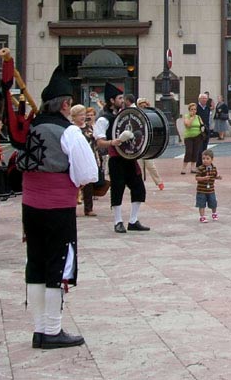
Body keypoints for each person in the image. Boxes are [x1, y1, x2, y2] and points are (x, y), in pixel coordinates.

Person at [15, 67, 98, 349]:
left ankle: (40, 329)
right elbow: (88, 173)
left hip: (30, 206)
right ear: (65, 105)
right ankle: (52, 330)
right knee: (57, 263)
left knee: (36, 262)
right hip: (58, 207)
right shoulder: (69, 131)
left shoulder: (30, 127)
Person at [94, 83, 149, 233]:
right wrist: (112, 142)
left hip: (129, 157)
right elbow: (99, 142)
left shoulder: (125, 115)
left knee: (139, 188)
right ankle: (118, 221)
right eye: (119, 98)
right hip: (116, 159)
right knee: (117, 189)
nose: (122, 100)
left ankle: (133, 221)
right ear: (112, 100)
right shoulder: (104, 119)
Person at [135, 98, 164, 191]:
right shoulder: (137, 115)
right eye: (141, 105)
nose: (143, 107)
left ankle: (159, 182)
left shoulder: (151, 115)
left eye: (145, 105)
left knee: (150, 165)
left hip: (147, 145)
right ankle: (139, 183)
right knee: (139, 165)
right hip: (139, 144)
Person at [195, 149, 221, 222]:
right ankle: (202, 216)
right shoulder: (200, 168)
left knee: (213, 202)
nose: (205, 160)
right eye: (203, 159)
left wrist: (218, 177)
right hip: (201, 190)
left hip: (211, 190)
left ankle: (214, 213)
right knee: (201, 204)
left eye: (207, 159)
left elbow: (214, 175)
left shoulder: (214, 168)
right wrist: (203, 178)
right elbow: (197, 178)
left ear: (212, 159)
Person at [180, 102, 205, 175]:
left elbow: (202, 125)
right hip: (189, 137)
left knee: (195, 152)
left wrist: (202, 129)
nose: (193, 111)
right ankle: (184, 168)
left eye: (195, 109)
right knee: (189, 152)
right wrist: (192, 118)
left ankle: (193, 168)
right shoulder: (186, 116)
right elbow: (188, 125)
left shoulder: (198, 117)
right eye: (192, 109)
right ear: (189, 110)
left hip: (197, 136)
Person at [196, 92, 213, 157]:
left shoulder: (207, 108)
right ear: (199, 99)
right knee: (199, 148)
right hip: (198, 130)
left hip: (206, 130)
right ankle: (199, 161)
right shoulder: (196, 108)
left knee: (204, 147)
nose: (204, 100)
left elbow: (209, 119)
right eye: (202, 98)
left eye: (205, 98)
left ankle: (203, 161)